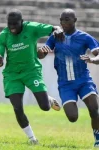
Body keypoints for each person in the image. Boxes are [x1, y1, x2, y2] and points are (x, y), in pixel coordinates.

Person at [0, 9, 64, 144]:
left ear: (22, 22)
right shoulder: (4, 35)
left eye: (15, 24)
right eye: (10, 24)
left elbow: (52, 28)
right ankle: (32, 139)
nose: (12, 27)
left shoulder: (31, 28)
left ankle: (48, 100)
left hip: (31, 71)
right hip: (12, 75)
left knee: (44, 107)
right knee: (17, 108)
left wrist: (57, 29)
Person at [39, 8, 99, 147]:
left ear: (75, 21)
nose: (63, 22)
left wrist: (93, 60)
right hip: (65, 83)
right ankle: (50, 100)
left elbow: (98, 54)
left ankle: (98, 138)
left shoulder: (85, 37)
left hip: (83, 80)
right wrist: (41, 51)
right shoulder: (55, 37)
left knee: (94, 108)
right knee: (72, 117)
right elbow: (41, 54)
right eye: (61, 20)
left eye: (66, 19)